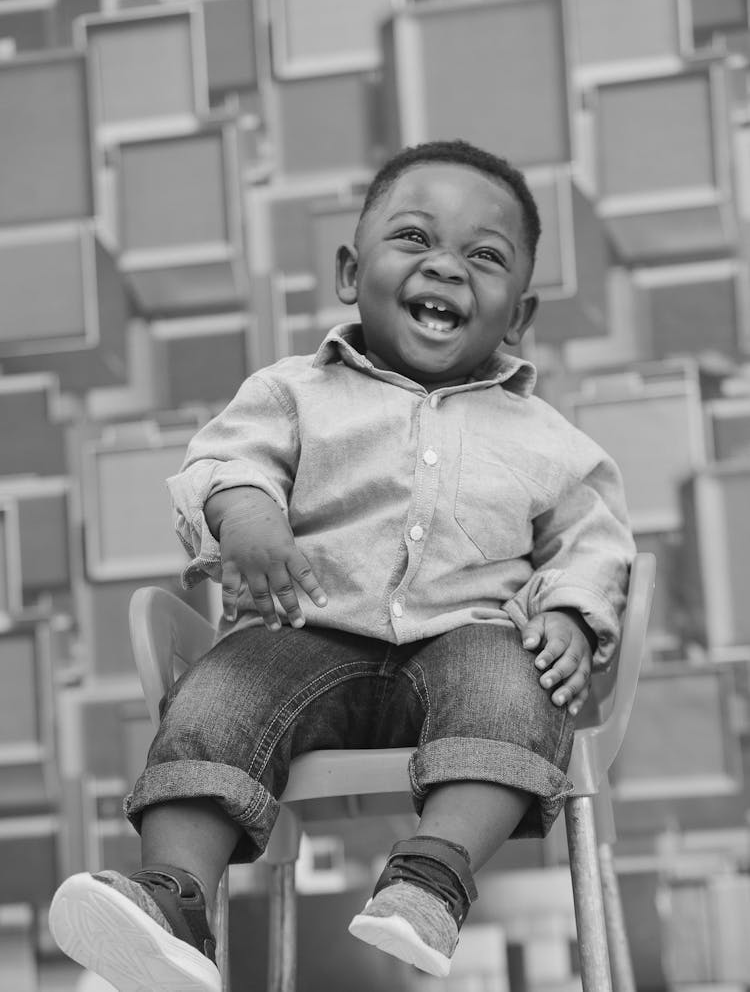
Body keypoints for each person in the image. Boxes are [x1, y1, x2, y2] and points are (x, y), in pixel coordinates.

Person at [49, 139, 635, 991]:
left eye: (484, 256)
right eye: (413, 239)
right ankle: (171, 905)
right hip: (302, 633)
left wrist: (573, 615)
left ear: (518, 315)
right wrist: (245, 509)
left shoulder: (547, 438)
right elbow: (225, 460)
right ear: (349, 272)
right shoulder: (293, 391)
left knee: (519, 688)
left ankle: (431, 880)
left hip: (467, 641)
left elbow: (597, 539)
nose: (445, 267)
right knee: (216, 697)